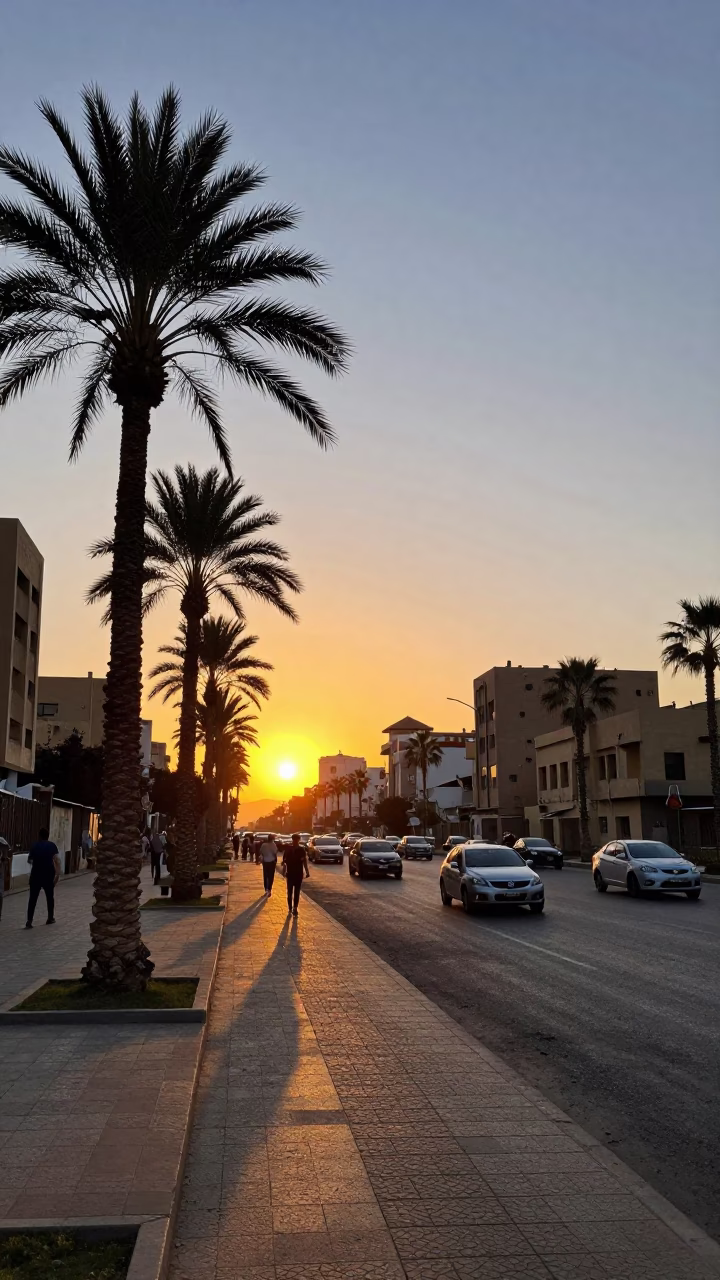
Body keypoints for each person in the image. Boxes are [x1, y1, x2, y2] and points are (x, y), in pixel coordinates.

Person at [26, 827, 61, 928]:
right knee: (50, 897)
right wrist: (57, 874)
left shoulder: (34, 845)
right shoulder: (52, 846)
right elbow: (57, 860)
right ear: (48, 835)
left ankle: (29, 920)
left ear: (39, 836)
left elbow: (30, 861)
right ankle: (50, 918)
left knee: (32, 899)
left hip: (36, 875)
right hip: (48, 875)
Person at [282, 832, 309, 917]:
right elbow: (304, 861)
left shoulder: (289, 849)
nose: (296, 841)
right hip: (296, 873)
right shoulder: (301, 849)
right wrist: (307, 871)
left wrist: (284, 871)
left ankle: (292, 908)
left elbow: (284, 861)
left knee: (291, 891)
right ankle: (293, 908)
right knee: (295, 892)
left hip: (293, 873)